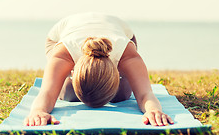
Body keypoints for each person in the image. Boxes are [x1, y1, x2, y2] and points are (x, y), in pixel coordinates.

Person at [24, 12, 174, 127]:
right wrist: (39, 111)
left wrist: (153, 110)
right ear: (73, 72)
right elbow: (48, 93)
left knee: (123, 94)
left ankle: (117, 83)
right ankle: (73, 84)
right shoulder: (63, 54)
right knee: (68, 93)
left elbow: (144, 94)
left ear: (116, 72)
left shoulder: (126, 53)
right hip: (57, 37)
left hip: (122, 33)